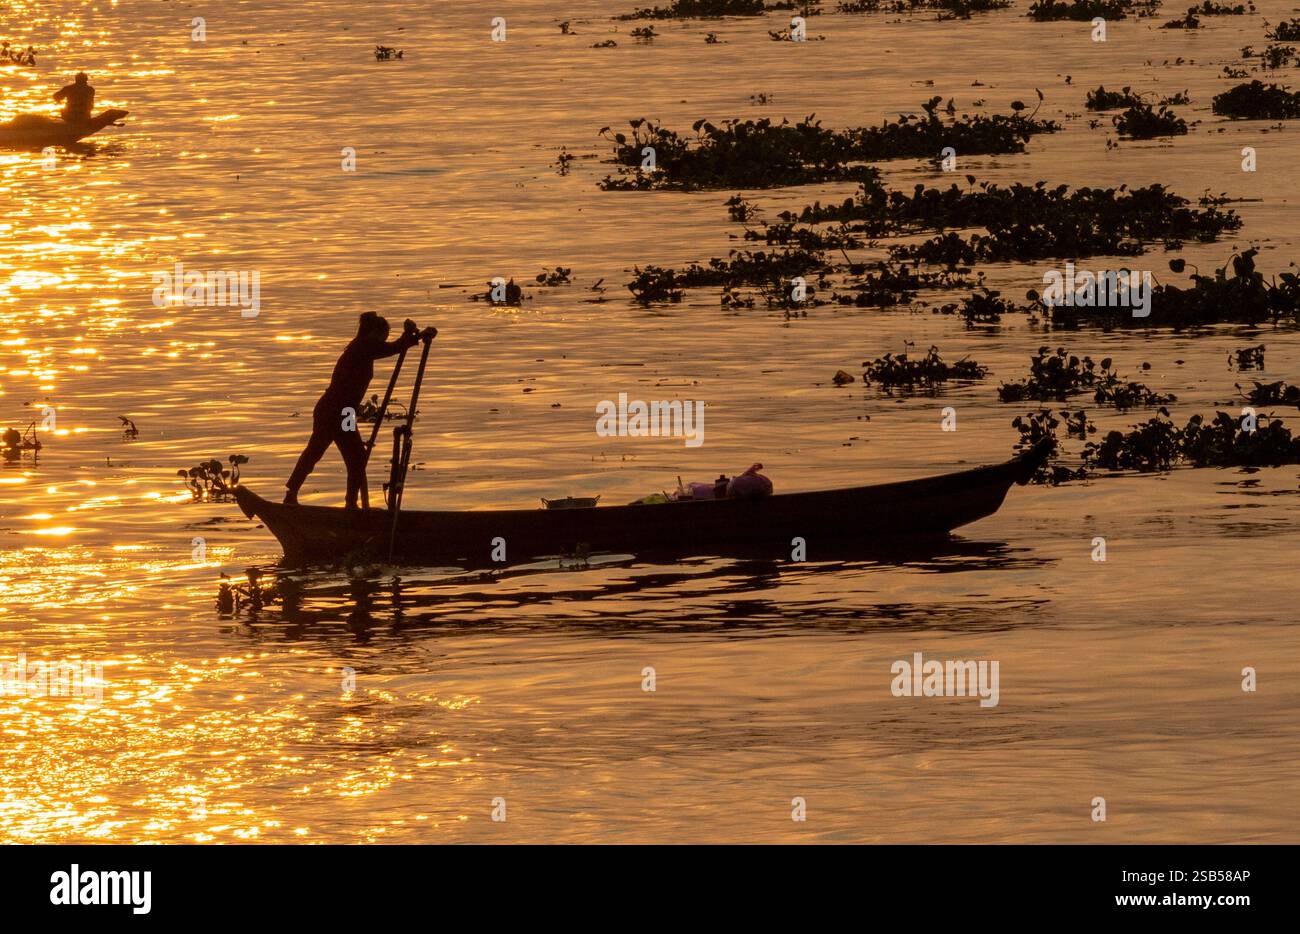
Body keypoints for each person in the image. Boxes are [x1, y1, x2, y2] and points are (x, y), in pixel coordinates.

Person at [284, 312, 434, 508]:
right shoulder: (362, 346)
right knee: (315, 452)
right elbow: (392, 348)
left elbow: (392, 347)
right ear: (374, 333)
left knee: (356, 459)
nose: (384, 340)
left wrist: (415, 336)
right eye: (383, 336)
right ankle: (291, 495)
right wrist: (410, 337)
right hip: (332, 410)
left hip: (345, 413)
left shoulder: (364, 347)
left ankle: (351, 504)